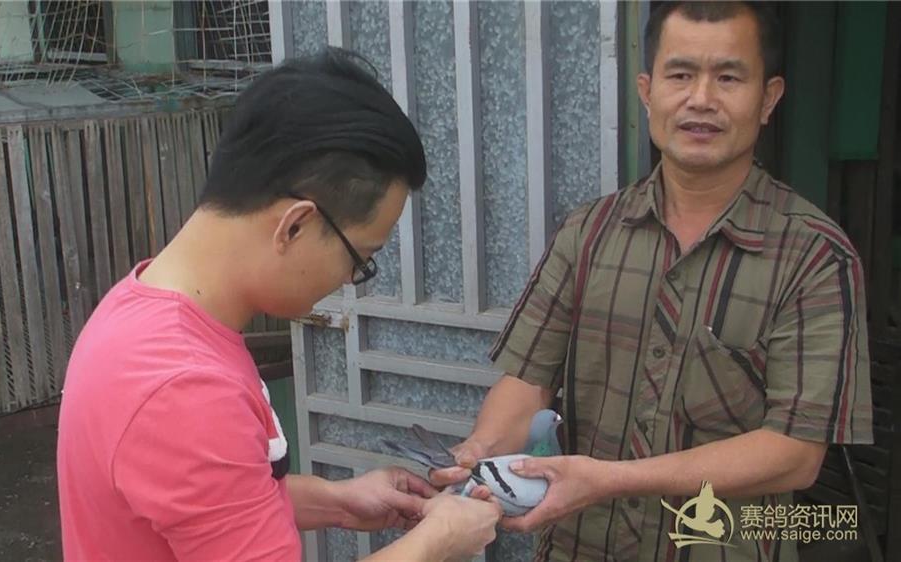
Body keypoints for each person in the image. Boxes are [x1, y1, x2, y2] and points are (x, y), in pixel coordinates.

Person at [432, 3, 873, 561]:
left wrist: (612, 479)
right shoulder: (588, 232)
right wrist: (478, 452)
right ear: (646, 91)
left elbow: (795, 453)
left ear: (768, 98)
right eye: (681, 74)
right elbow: (528, 381)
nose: (701, 99)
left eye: (729, 78)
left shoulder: (814, 255)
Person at [56, 48, 501, 562]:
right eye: (360, 257)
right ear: (295, 225)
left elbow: (211, 501)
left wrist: (338, 502)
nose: (350, 280)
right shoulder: (186, 388)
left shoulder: (140, 309)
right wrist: (438, 541)